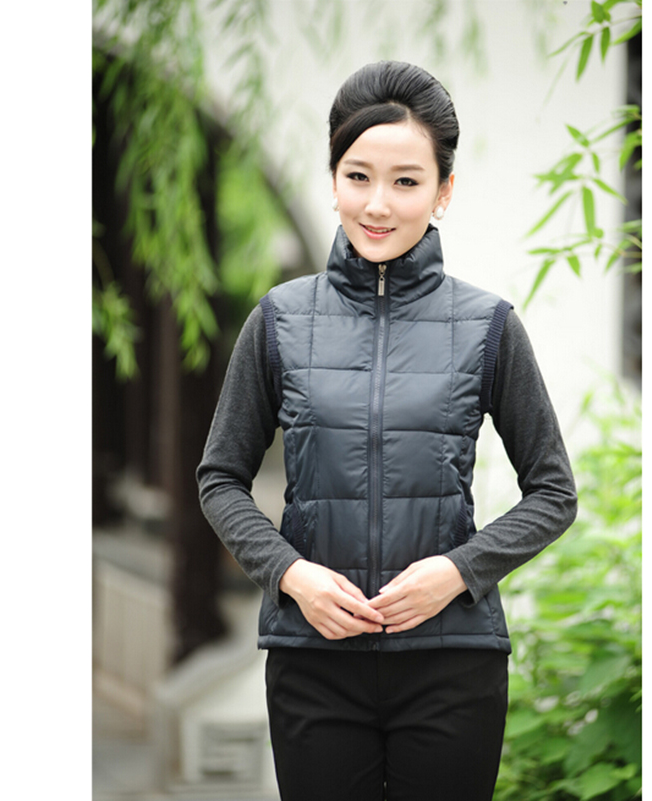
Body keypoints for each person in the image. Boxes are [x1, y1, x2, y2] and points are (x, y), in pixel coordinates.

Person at [197, 60, 577, 801]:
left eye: (406, 181)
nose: (377, 204)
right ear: (333, 179)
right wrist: (291, 574)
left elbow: (553, 492)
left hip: (451, 664)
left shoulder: (487, 326)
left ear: (443, 191)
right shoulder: (278, 321)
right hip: (314, 661)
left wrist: (458, 571)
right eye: (358, 176)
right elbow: (220, 479)